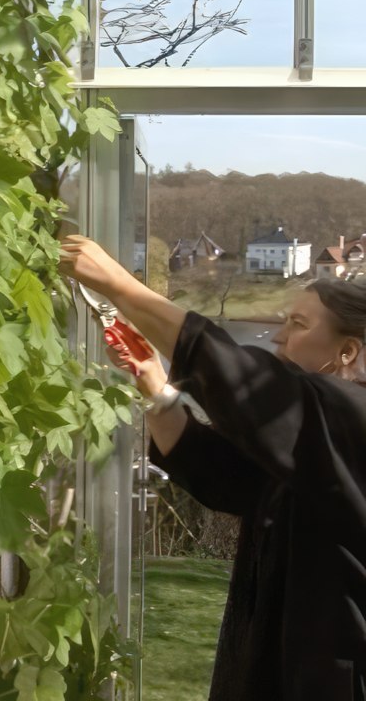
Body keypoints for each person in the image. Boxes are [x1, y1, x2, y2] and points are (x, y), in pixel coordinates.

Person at [59, 234, 366, 701]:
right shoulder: (312, 442)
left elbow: (246, 385)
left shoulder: (354, 420)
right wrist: (159, 394)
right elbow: (227, 480)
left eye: (298, 325)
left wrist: (120, 286)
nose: (279, 336)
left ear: (347, 352)